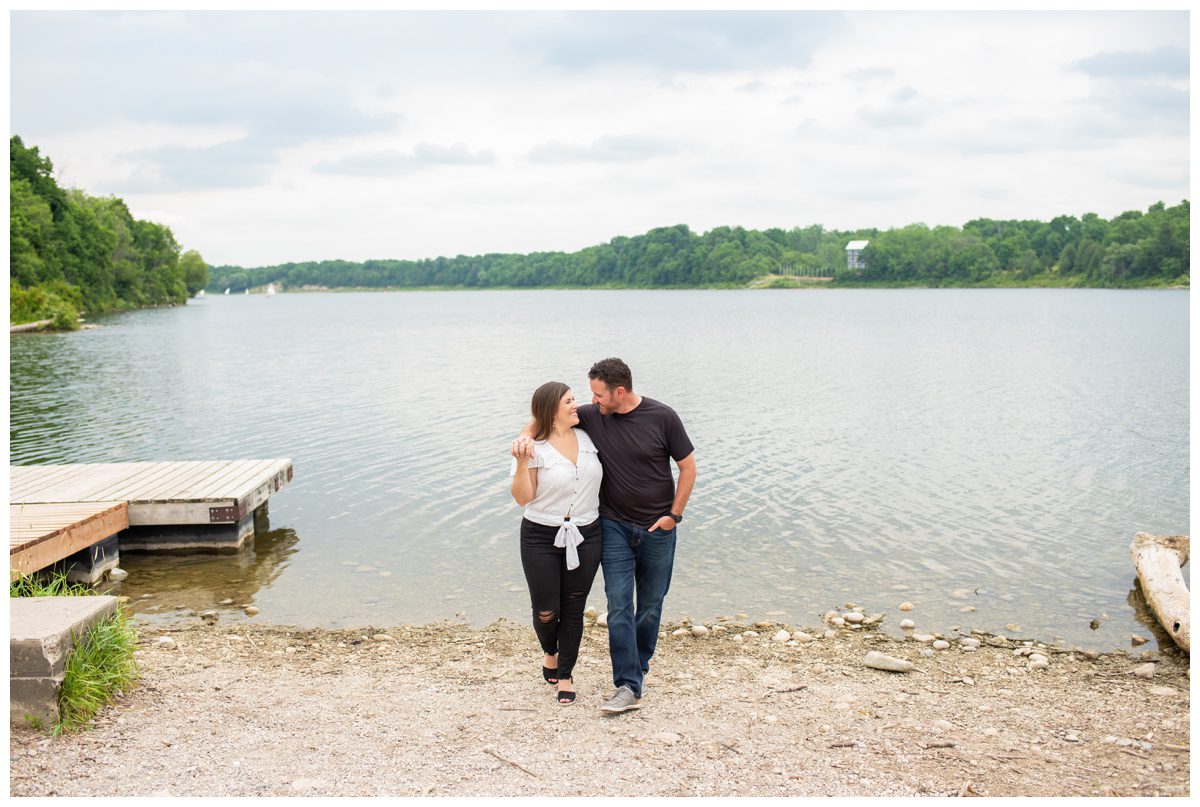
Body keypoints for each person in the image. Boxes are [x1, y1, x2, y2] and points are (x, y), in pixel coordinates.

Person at [513, 358, 696, 713]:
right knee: (619, 605)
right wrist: (523, 438)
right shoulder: (594, 415)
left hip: (658, 528)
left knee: (651, 607)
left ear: (620, 392)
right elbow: (545, 414)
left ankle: (637, 666)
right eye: (589, 394)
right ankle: (627, 683)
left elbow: (688, 466)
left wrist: (674, 515)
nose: (590, 400)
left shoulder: (663, 417)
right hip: (610, 526)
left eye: (598, 394)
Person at [509, 382, 604, 705]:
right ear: (552, 411)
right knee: (547, 610)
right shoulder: (532, 448)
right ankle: (550, 650)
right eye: (568, 401)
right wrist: (522, 461)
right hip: (540, 535)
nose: (575, 405)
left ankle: (565, 673)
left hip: (588, 532)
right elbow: (523, 498)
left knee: (575, 607)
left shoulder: (589, 434)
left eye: (575, 399)